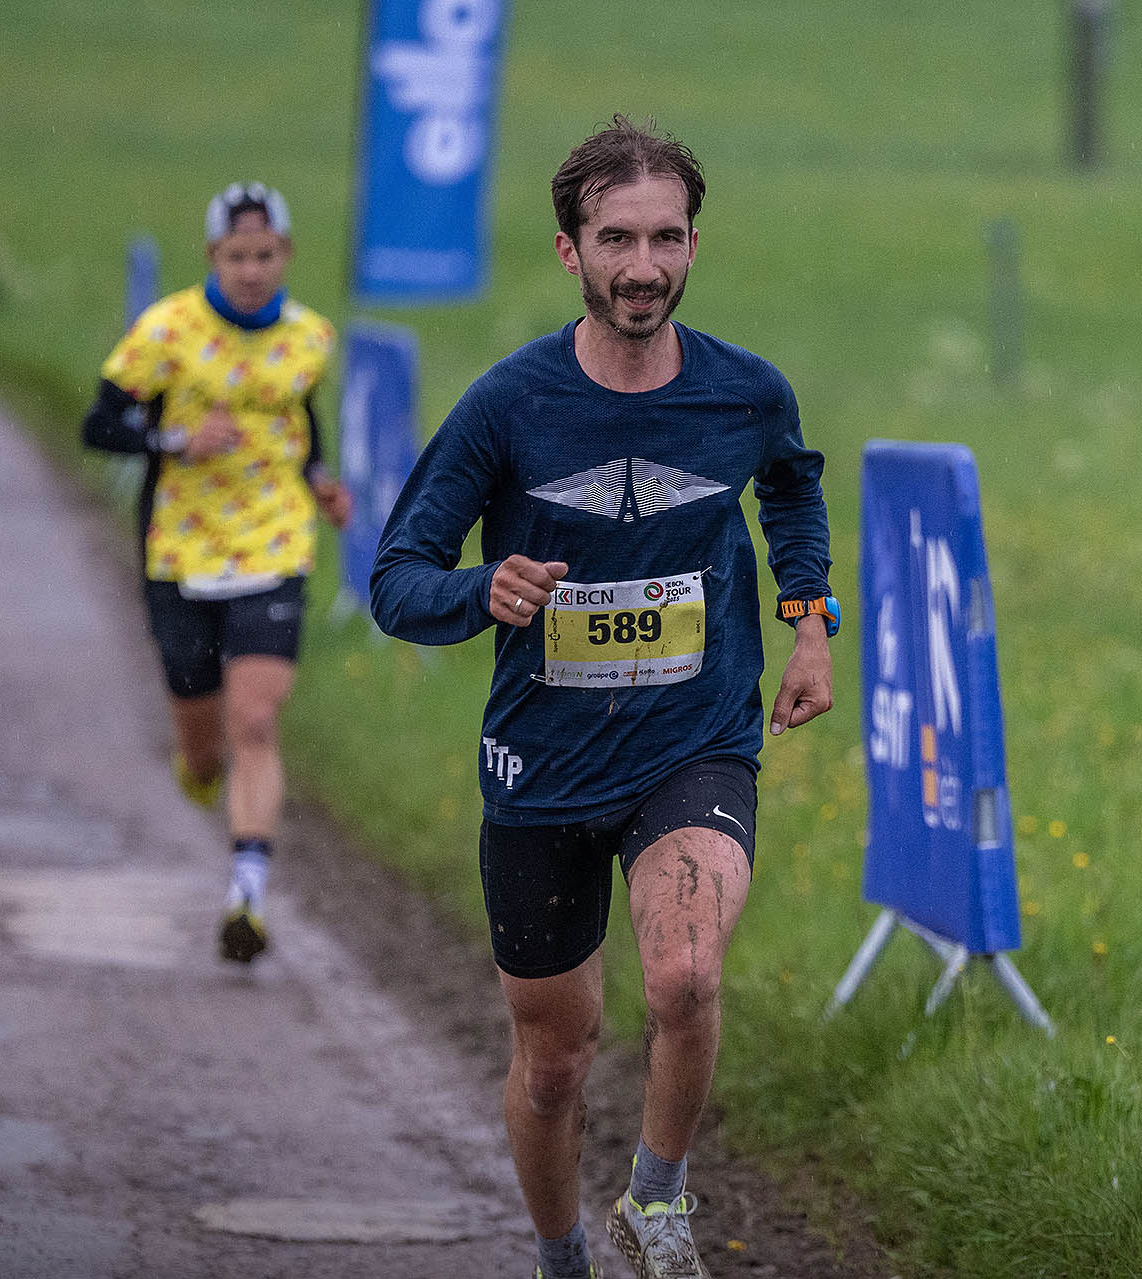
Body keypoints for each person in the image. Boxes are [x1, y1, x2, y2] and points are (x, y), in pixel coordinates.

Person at [370, 116, 837, 1279]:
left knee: (686, 972)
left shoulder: (744, 393)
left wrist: (808, 622)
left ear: (694, 244)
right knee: (556, 1063)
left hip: (694, 738)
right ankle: (561, 1252)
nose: (644, 265)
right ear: (570, 251)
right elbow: (397, 579)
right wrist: (483, 588)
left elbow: (791, 487)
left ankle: (658, 1200)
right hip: (545, 763)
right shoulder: (509, 404)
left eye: (666, 237)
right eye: (617, 239)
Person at [81, 182, 352, 964]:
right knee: (203, 749)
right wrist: (175, 441)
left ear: (285, 254)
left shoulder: (309, 337)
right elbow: (99, 424)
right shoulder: (166, 331)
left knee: (256, 722)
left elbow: (300, 419)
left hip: (273, 545)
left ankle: (247, 893)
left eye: (265, 255)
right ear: (213, 257)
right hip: (182, 552)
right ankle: (198, 767)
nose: (252, 271)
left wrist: (319, 479)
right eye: (238, 256)